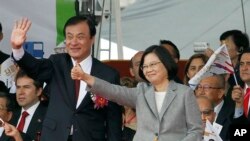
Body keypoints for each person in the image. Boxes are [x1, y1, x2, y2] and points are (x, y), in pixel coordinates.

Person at [10, 16, 122, 141]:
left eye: (80, 37)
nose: (73, 42)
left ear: (92, 39)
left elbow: (114, 121)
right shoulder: (57, 63)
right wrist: (18, 49)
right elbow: (35, 67)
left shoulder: (108, 75)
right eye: (69, 37)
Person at [72, 45, 203, 141]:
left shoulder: (184, 93)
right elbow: (113, 91)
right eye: (145, 66)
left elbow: (196, 130)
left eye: (153, 65)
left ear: (166, 64)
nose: (148, 69)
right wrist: (85, 77)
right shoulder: (141, 91)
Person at [194, 75, 235, 140]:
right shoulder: (187, 111)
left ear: (220, 93)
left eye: (206, 87)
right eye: (199, 87)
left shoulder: (234, 116)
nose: (201, 92)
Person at [9, 69, 47, 140]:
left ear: (39, 91)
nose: (21, 92)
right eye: (18, 87)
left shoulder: (49, 117)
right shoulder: (10, 116)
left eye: (26, 87)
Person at [231, 48, 250, 122]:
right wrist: (239, 105)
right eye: (241, 64)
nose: (244, 68)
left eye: (249, 64)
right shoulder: (233, 91)